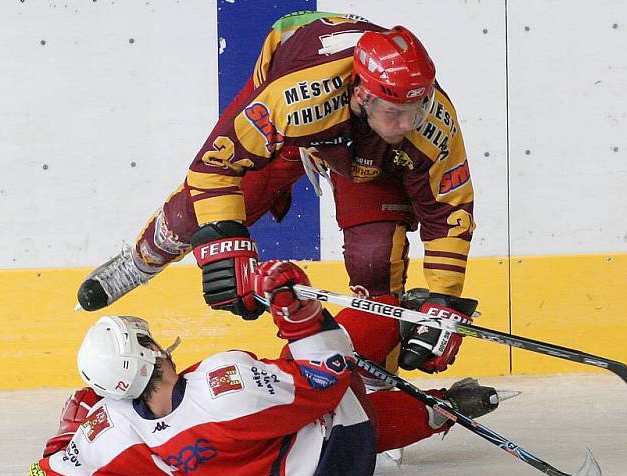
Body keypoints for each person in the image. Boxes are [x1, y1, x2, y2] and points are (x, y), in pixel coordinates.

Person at [76, 11, 478, 375]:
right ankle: (140, 260)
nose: (411, 123)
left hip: (368, 150)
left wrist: (443, 303)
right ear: (361, 93)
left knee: (375, 259)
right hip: (295, 92)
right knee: (191, 216)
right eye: (397, 112)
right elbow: (214, 166)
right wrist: (225, 241)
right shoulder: (294, 100)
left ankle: (377, 377)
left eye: (418, 107)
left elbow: (450, 214)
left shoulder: (432, 122)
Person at [31, 261, 503, 476]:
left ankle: (442, 410)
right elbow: (325, 378)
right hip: (339, 466)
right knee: (337, 366)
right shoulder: (222, 388)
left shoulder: (112, 434)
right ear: (148, 353)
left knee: (288, 412)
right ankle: (413, 322)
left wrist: (65, 433)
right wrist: (298, 315)